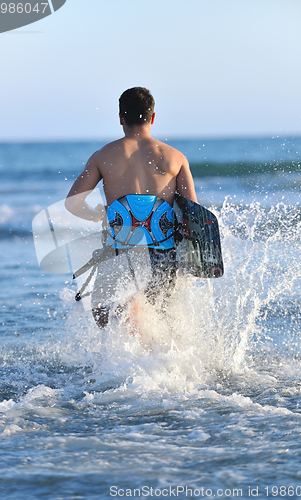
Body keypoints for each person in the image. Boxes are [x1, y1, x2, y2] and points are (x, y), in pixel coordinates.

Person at [65, 87, 198, 329]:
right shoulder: (175, 158)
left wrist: (98, 214)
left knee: (108, 321)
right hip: (162, 254)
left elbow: (72, 203)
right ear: (153, 117)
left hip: (119, 251)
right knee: (162, 320)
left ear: (120, 118)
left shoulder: (102, 156)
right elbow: (193, 213)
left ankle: (121, 364)